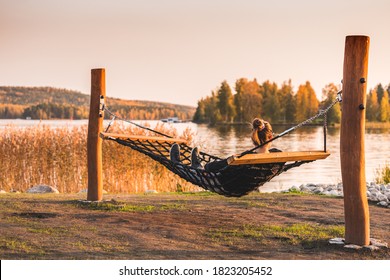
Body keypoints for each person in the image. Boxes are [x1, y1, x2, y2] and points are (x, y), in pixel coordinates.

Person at [169, 118, 277, 172]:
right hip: (242, 185)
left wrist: (233, 159)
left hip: (222, 184)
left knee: (212, 166)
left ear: (253, 137)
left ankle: (179, 165)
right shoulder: (278, 158)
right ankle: (196, 166)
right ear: (271, 137)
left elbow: (210, 167)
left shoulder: (244, 158)